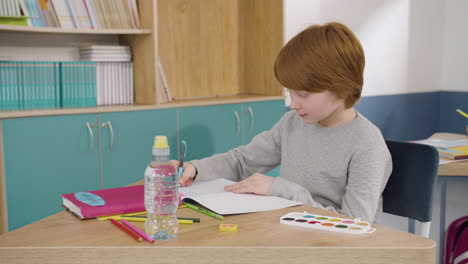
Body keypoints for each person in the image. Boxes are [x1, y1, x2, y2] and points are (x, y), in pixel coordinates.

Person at [174, 22, 392, 223]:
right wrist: (195, 168)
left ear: (341, 87)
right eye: (290, 91)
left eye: (304, 94)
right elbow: (242, 161)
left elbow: (355, 224)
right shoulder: (292, 123)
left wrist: (280, 188)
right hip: (289, 233)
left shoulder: (366, 145)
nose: (293, 103)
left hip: (332, 247)